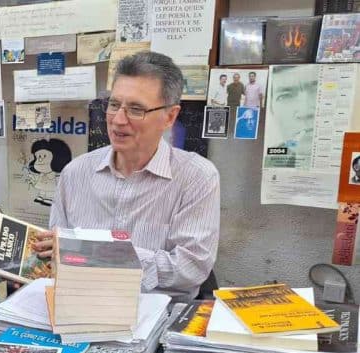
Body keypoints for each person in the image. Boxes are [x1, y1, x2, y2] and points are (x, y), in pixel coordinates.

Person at [33, 51, 220, 301]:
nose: (118, 120)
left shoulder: (196, 177)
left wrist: (98, 253)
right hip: (82, 306)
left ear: (170, 116)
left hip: (158, 313)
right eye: (113, 104)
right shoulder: (75, 173)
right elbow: (58, 256)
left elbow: (190, 267)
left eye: (136, 109)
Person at [263, 65, 317, 169]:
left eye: (318, 90)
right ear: (271, 110)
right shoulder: (270, 162)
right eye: (285, 96)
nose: (304, 112)